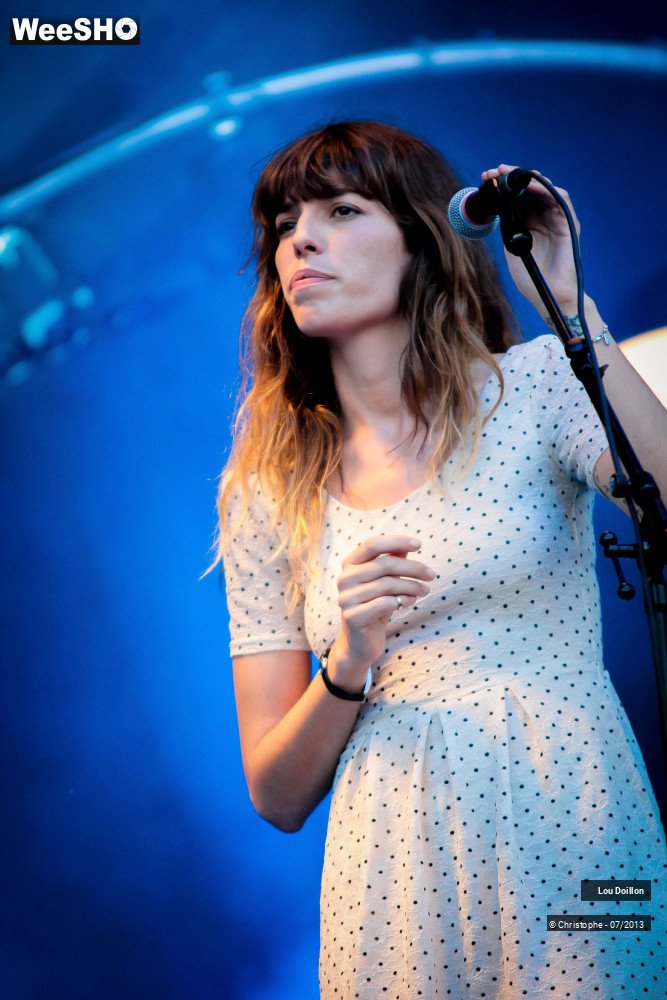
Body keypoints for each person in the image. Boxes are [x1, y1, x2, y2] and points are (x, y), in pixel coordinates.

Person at [215, 120, 667, 998]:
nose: (300, 238)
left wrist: (574, 313)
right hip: (387, 870)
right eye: (282, 224)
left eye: (341, 210)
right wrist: (344, 665)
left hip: (581, 837)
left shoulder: (535, 386)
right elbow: (275, 795)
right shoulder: (265, 491)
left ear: (421, 238)